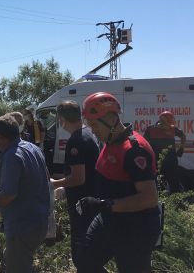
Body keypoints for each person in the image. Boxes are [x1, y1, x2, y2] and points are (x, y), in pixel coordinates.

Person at [76, 92, 161, 273]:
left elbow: (149, 198)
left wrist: (104, 204)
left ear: (111, 118)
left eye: (94, 124)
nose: (93, 130)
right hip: (111, 219)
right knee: (85, 261)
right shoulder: (110, 141)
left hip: (137, 227)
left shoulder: (134, 150)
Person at [0, 114, 50, 273]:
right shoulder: (33, 148)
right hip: (39, 221)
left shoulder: (11, 156)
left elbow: (9, 195)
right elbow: (35, 177)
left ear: (0, 136)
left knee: (17, 268)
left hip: (22, 225)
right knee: (19, 261)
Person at [50, 100, 100, 267]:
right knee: (92, 252)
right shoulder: (88, 133)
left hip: (82, 205)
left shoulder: (76, 141)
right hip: (91, 200)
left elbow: (78, 178)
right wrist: (65, 187)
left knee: (82, 257)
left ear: (61, 119)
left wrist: (54, 183)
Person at [143, 111, 186, 193]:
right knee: (157, 184)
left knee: (174, 184)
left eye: (170, 124)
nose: (169, 126)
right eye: (168, 124)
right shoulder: (150, 130)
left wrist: (181, 148)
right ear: (162, 121)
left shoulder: (172, 129)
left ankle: (175, 201)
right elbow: (144, 143)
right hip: (157, 162)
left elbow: (183, 136)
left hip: (171, 161)